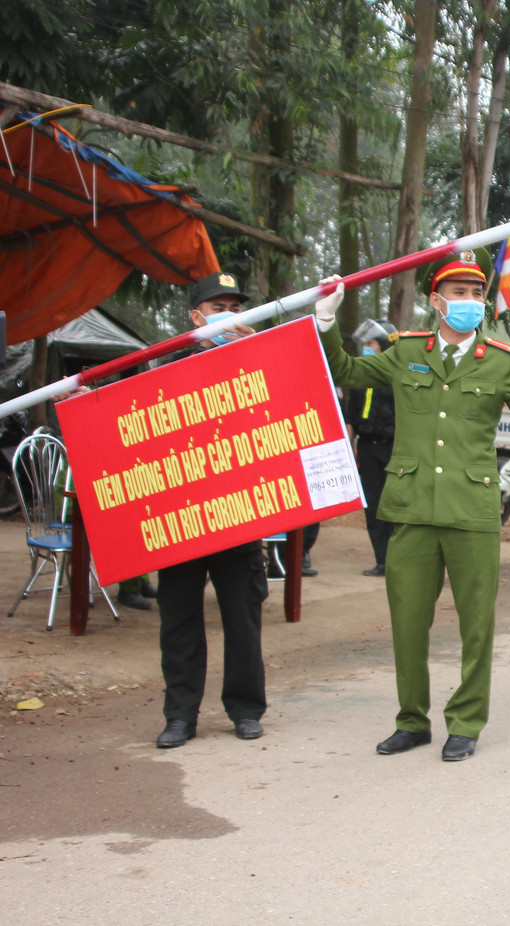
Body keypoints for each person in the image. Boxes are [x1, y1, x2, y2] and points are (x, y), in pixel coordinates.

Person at [314, 253, 510, 762]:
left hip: (471, 511)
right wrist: (325, 322)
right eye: (459, 293)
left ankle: (466, 722)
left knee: (476, 624)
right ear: (436, 300)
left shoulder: (498, 358)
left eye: (476, 294)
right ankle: (412, 721)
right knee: (406, 622)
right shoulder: (406, 352)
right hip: (412, 510)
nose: (469, 302)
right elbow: (346, 371)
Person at [154, 271, 269, 748]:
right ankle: (180, 715)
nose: (229, 317)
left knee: (242, 618)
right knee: (179, 620)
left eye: (235, 308)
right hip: (181, 517)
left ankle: (245, 709)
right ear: (196, 317)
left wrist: (261, 351)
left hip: (240, 513)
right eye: (218, 308)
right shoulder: (166, 369)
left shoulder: (257, 363)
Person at [344, 318, 398, 576]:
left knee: (398, 505)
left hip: (395, 449)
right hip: (367, 447)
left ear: (386, 345)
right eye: (364, 344)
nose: (367, 347)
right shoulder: (360, 374)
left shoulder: (400, 374)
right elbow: (351, 417)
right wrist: (347, 447)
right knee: (374, 506)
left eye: (371, 343)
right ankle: (382, 560)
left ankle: (401, 561)